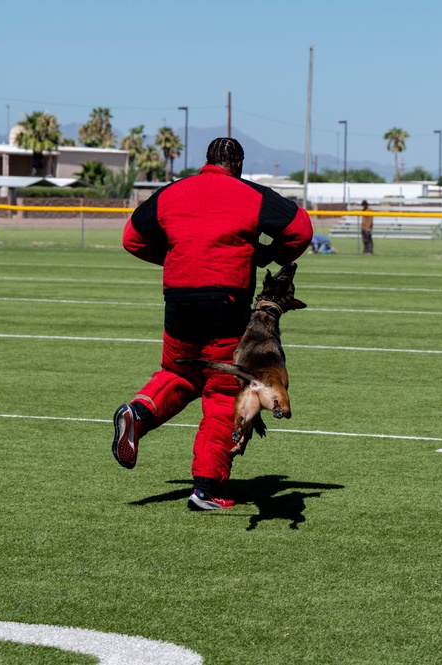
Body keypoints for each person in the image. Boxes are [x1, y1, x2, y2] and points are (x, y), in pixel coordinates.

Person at [112, 138, 313, 511]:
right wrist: (268, 255)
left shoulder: (172, 192)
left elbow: (131, 238)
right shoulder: (251, 193)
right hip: (226, 301)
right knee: (223, 391)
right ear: (237, 164)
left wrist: (177, 255)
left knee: (179, 372)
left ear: (206, 160)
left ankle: (138, 415)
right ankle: (207, 488)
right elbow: (301, 229)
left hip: (178, 300)